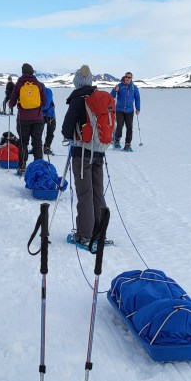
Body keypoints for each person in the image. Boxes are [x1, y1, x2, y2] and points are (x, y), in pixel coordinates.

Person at [61, 65, 109, 246]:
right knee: (98, 192)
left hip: (82, 154)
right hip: (99, 152)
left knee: (85, 193)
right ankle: (99, 233)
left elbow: (66, 129)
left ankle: (84, 235)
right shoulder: (98, 98)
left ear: (77, 82)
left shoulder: (78, 99)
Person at [9, 63, 47, 176]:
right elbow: (45, 103)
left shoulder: (18, 85)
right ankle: (38, 169)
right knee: (37, 143)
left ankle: (22, 168)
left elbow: (11, 103)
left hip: (23, 119)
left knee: (23, 143)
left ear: (22, 72)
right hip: (38, 119)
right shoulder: (40, 85)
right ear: (32, 72)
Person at [110, 70, 141, 150]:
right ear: (124, 77)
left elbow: (137, 98)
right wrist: (114, 90)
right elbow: (111, 96)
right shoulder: (119, 86)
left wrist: (138, 108)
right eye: (126, 77)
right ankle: (116, 140)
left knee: (129, 127)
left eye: (129, 77)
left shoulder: (134, 88)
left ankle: (127, 144)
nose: (127, 78)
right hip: (119, 110)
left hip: (130, 111)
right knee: (120, 126)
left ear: (131, 78)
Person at [42, 85, 56, 154]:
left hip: (49, 115)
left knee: (49, 132)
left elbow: (46, 105)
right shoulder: (47, 90)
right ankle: (44, 147)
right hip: (48, 115)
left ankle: (46, 147)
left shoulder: (48, 91)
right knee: (37, 133)